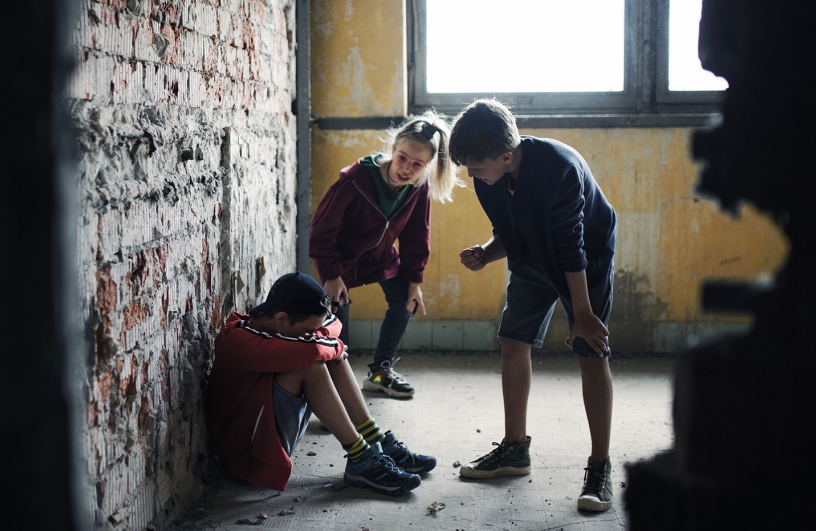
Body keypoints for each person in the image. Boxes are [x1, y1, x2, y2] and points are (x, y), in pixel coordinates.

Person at [449, 99, 618, 512]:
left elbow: (569, 247)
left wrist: (583, 315)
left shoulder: (557, 171)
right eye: (468, 167)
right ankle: (514, 449)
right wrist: (488, 253)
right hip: (533, 257)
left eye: (476, 167)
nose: (472, 175)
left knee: (590, 352)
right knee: (513, 340)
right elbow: (512, 226)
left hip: (584, 260)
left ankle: (600, 467)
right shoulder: (490, 174)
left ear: (506, 156)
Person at [206, 272, 437, 496]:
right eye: (308, 330)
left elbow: (333, 323)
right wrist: (333, 346)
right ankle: (360, 459)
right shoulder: (239, 341)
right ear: (282, 318)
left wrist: (328, 344)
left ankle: (375, 440)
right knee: (313, 364)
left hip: (267, 432)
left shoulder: (280, 326)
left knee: (329, 357)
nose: (312, 334)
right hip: (247, 454)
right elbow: (315, 350)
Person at [309, 112, 462, 398]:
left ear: (427, 166)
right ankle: (336, 387)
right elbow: (321, 229)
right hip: (341, 260)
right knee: (337, 317)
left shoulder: (418, 186)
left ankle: (380, 371)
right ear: (392, 150)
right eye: (403, 158)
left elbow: (418, 236)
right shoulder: (355, 178)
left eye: (417, 164)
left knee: (407, 301)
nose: (407, 168)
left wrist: (415, 282)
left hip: (381, 256)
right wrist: (331, 274)